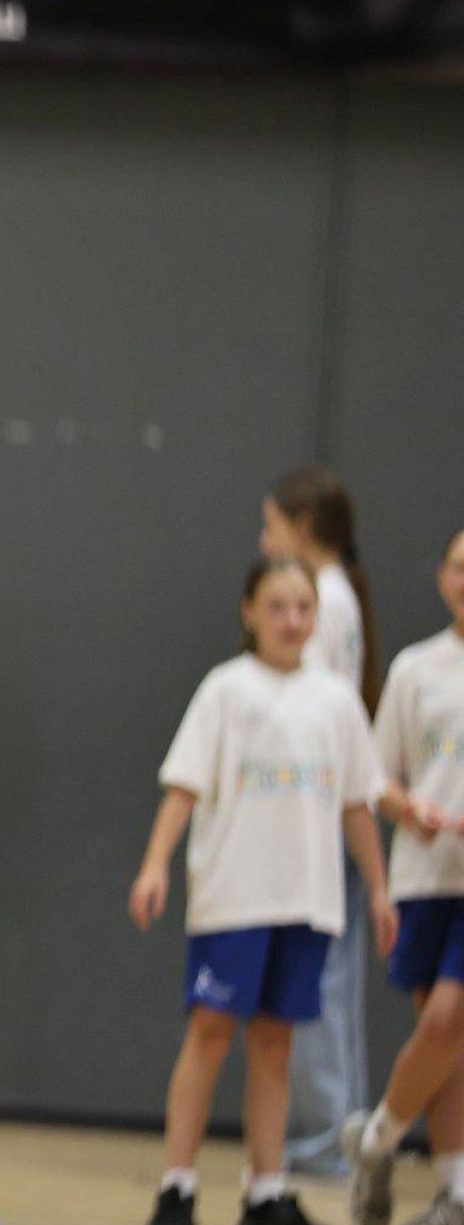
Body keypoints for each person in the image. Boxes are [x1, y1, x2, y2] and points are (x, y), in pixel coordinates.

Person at [130, 556, 394, 1225]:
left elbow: (357, 804)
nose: (292, 620)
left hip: (305, 899)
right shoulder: (225, 690)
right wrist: (156, 863)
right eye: (277, 606)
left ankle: (265, 1192)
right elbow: (184, 784)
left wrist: (380, 890)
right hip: (234, 897)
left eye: (303, 608)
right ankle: (177, 1190)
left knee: (276, 1043)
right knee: (211, 1033)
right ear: (250, 612)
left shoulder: (336, 701)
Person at [262, 466, 382, 1176]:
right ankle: (342, 1131)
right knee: (333, 977)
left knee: (318, 978)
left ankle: (322, 1138)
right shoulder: (340, 596)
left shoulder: (326, 602)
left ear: (303, 528)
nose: (264, 539)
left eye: (271, 525)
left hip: (319, 810)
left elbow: (319, 716)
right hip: (330, 808)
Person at [344, 527, 464, 1225]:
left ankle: (375, 1140)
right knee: (444, 1043)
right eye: (459, 567)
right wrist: (409, 808)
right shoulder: (417, 670)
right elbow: (376, 777)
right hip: (427, 875)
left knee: (450, 1020)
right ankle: (453, 1192)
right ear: (443, 577)